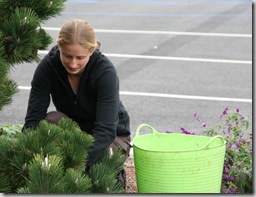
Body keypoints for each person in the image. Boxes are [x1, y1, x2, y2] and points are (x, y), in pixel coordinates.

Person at [22, 19, 131, 188]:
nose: (73, 64)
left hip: (112, 135)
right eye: (67, 56)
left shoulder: (105, 72)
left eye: (80, 58)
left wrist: (73, 165)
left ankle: (115, 176)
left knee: (101, 164)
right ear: (59, 47)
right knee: (51, 120)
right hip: (75, 130)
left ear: (92, 50)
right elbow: (33, 122)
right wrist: (28, 160)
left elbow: (105, 131)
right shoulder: (48, 67)